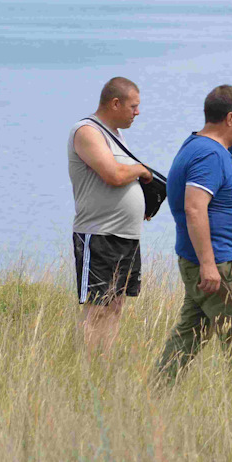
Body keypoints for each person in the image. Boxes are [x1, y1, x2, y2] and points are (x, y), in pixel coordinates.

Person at [157, 85, 232, 381]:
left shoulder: (202, 145)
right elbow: (194, 208)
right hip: (217, 264)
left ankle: (154, 392)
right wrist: (208, 264)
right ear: (229, 118)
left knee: (188, 338)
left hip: (201, 261)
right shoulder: (209, 156)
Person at [68, 76, 153, 358]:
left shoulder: (115, 134)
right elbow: (114, 174)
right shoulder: (87, 131)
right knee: (97, 307)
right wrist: (140, 170)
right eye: (133, 106)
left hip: (126, 235)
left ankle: (104, 363)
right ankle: (87, 368)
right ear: (115, 103)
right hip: (99, 234)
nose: (137, 112)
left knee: (115, 306)